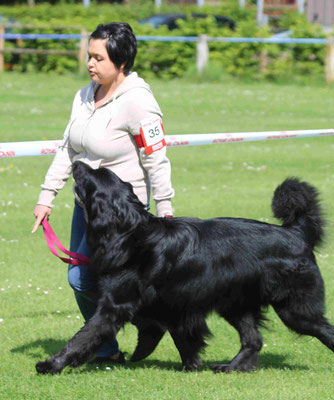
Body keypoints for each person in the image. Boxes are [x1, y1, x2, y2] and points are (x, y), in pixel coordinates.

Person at [32, 22, 174, 364]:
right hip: (87, 207)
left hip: (124, 214)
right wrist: (46, 195)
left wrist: (165, 209)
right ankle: (125, 338)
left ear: (121, 62)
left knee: (81, 278)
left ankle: (120, 338)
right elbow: (68, 149)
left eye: (99, 58)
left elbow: (156, 157)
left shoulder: (140, 103)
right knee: (100, 280)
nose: (90, 64)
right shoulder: (84, 95)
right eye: (89, 56)